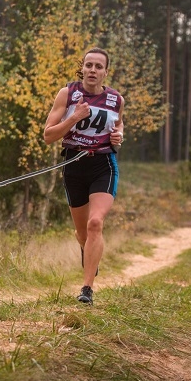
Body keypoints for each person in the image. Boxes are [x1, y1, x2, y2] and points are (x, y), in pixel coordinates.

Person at [43, 47, 124, 305]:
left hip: (103, 165)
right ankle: (87, 250)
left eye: (98, 67)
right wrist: (74, 117)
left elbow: (118, 128)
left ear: (105, 72)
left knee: (95, 224)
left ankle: (87, 289)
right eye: (89, 65)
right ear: (83, 68)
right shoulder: (67, 94)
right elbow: (48, 136)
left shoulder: (116, 99)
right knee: (82, 233)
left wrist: (119, 137)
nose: (93, 70)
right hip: (74, 164)